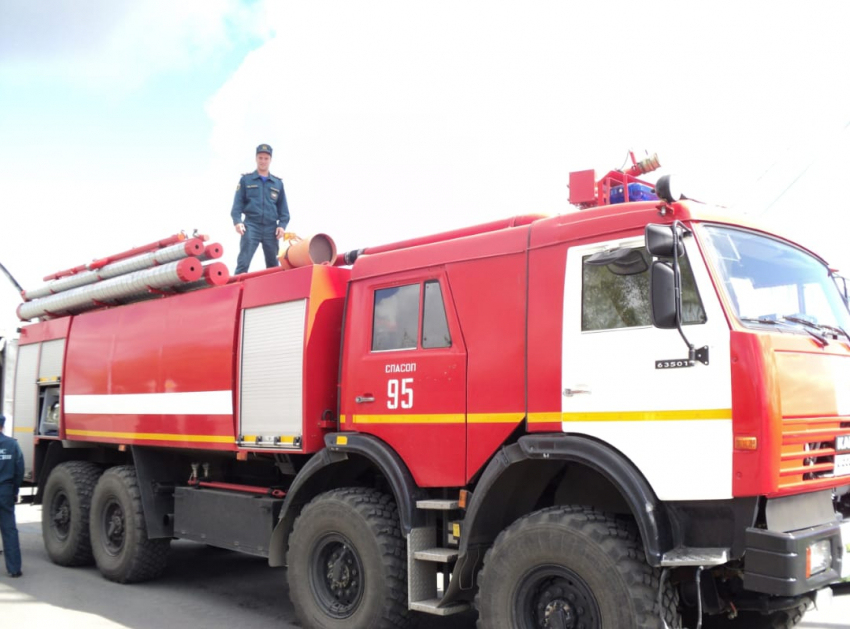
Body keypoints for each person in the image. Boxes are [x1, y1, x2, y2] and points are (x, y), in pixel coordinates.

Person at [231, 143, 290, 274]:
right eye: (260, 158)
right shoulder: (246, 180)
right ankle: (235, 292)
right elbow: (237, 206)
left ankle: (274, 293)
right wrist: (237, 222)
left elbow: (284, 211)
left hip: (271, 229)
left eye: (266, 158)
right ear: (256, 158)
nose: (263, 161)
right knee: (243, 263)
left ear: (270, 160)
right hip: (251, 226)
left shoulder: (277, 183)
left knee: (274, 266)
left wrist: (282, 226)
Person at [0, 414, 24, 577]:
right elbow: (19, 470)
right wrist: (14, 491)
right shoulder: (12, 445)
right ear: (2, 426)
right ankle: (14, 569)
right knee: (9, 530)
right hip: (5, 492)